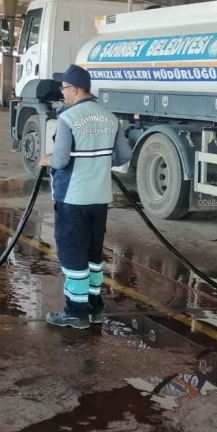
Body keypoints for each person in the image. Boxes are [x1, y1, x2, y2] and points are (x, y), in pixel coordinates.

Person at [40, 64, 132, 329]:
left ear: (76, 89)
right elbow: (124, 156)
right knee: (93, 256)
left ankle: (75, 312)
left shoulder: (68, 119)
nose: (62, 93)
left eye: (65, 88)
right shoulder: (110, 116)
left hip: (73, 197)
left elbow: (60, 159)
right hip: (99, 197)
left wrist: (45, 159)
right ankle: (94, 308)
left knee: (72, 256)